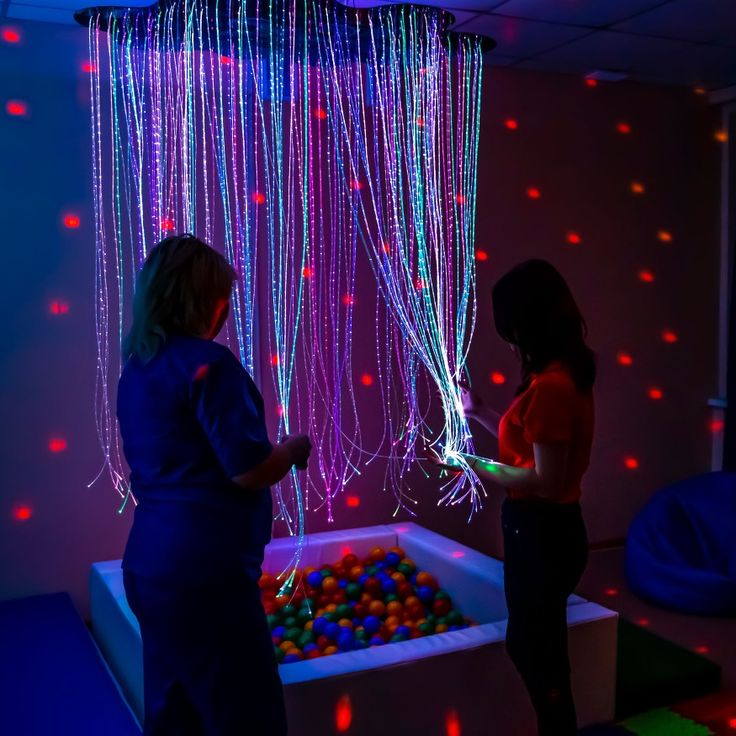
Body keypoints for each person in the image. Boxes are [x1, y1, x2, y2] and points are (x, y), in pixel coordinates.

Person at [117, 234, 311, 735]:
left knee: (175, 712)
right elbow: (247, 469)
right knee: (247, 719)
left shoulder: (137, 369)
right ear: (205, 300)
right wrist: (290, 451)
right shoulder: (210, 365)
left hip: (148, 567)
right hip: (205, 577)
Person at [427, 259, 595, 736]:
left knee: (533, 649)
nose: (508, 339)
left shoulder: (552, 388)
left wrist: (469, 463)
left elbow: (543, 480)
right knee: (541, 646)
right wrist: (479, 412)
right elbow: (532, 443)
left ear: (527, 325)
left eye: (510, 328)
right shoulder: (562, 377)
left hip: (543, 535)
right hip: (550, 534)